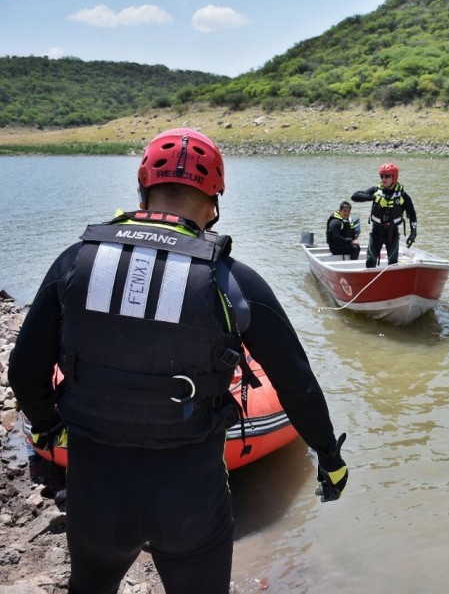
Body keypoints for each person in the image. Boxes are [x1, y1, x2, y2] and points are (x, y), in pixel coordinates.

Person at [9, 128, 349, 594]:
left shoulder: (75, 262)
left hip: (97, 488)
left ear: (142, 189)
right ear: (214, 203)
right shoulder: (232, 281)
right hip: (189, 498)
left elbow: (25, 367)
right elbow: (297, 383)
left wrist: (48, 427)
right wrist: (330, 457)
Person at [351, 162, 417, 268]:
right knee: (370, 262)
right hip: (376, 232)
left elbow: (412, 215)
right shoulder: (376, 191)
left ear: (394, 177)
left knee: (393, 264)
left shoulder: (403, 196)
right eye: (382, 176)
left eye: (387, 176)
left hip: (392, 234)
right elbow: (354, 196)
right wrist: (373, 197)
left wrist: (413, 233)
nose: (383, 179)